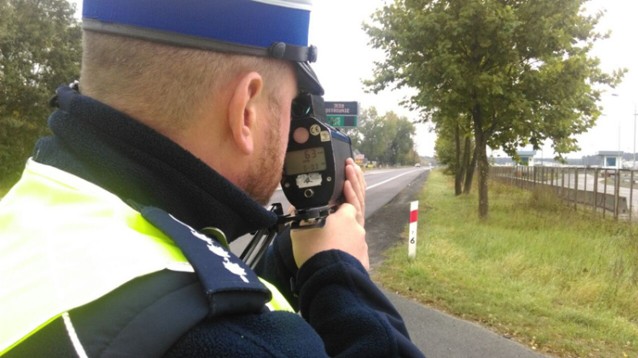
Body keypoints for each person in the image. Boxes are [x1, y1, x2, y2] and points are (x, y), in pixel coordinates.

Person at [0, 0, 424, 356]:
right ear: (247, 108)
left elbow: (190, 266)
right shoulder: (231, 341)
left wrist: (288, 254)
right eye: (293, 103)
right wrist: (338, 272)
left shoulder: (34, 213)